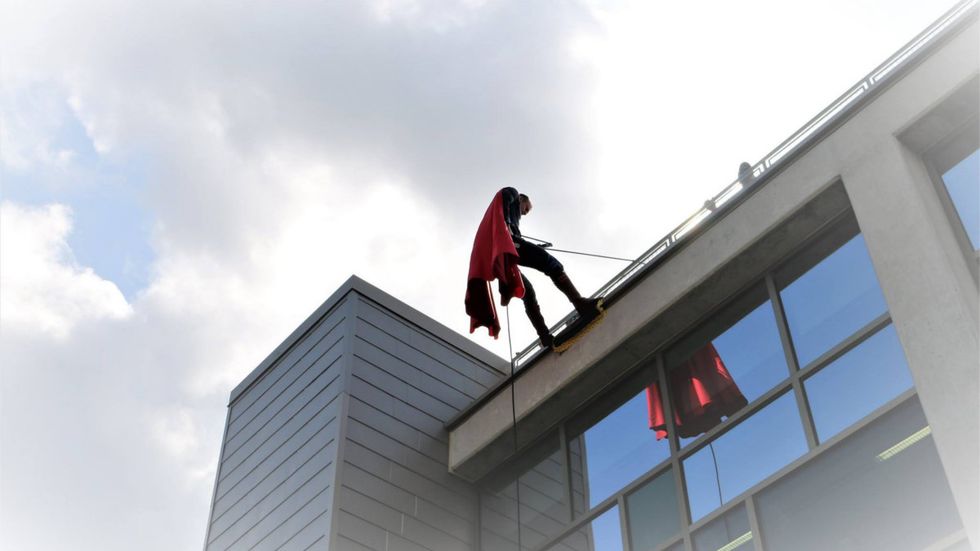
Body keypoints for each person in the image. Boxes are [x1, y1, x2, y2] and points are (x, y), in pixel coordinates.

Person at [499, 187, 601, 348]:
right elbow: (504, 199)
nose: (525, 213)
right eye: (526, 209)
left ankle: (544, 337)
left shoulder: (512, 223)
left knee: (528, 292)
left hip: (500, 256)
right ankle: (579, 303)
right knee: (552, 264)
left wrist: (534, 247)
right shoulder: (512, 193)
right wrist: (506, 231)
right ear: (521, 200)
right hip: (507, 244)